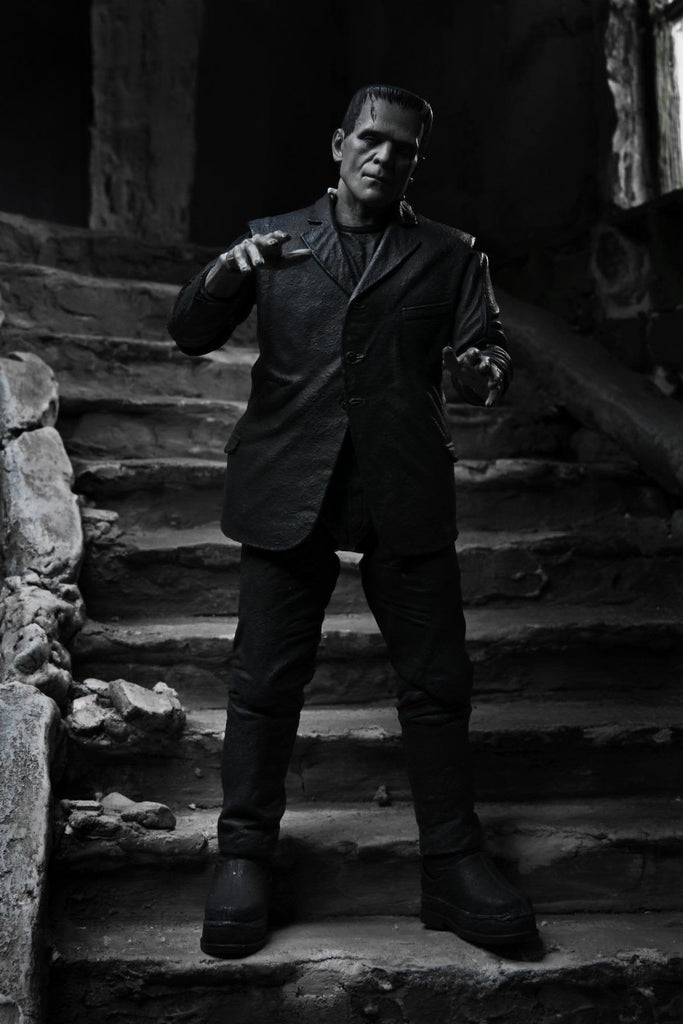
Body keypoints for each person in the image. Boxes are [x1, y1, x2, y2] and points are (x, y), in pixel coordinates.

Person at [168, 84, 537, 959]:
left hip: (400, 487)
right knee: (263, 683)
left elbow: (487, 350)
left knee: (437, 685)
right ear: (338, 145)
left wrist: (482, 368)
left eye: (402, 148)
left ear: (415, 164)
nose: (384, 156)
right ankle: (244, 857)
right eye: (370, 139)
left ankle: (452, 863)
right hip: (287, 483)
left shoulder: (450, 255)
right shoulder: (273, 241)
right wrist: (225, 272)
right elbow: (189, 332)